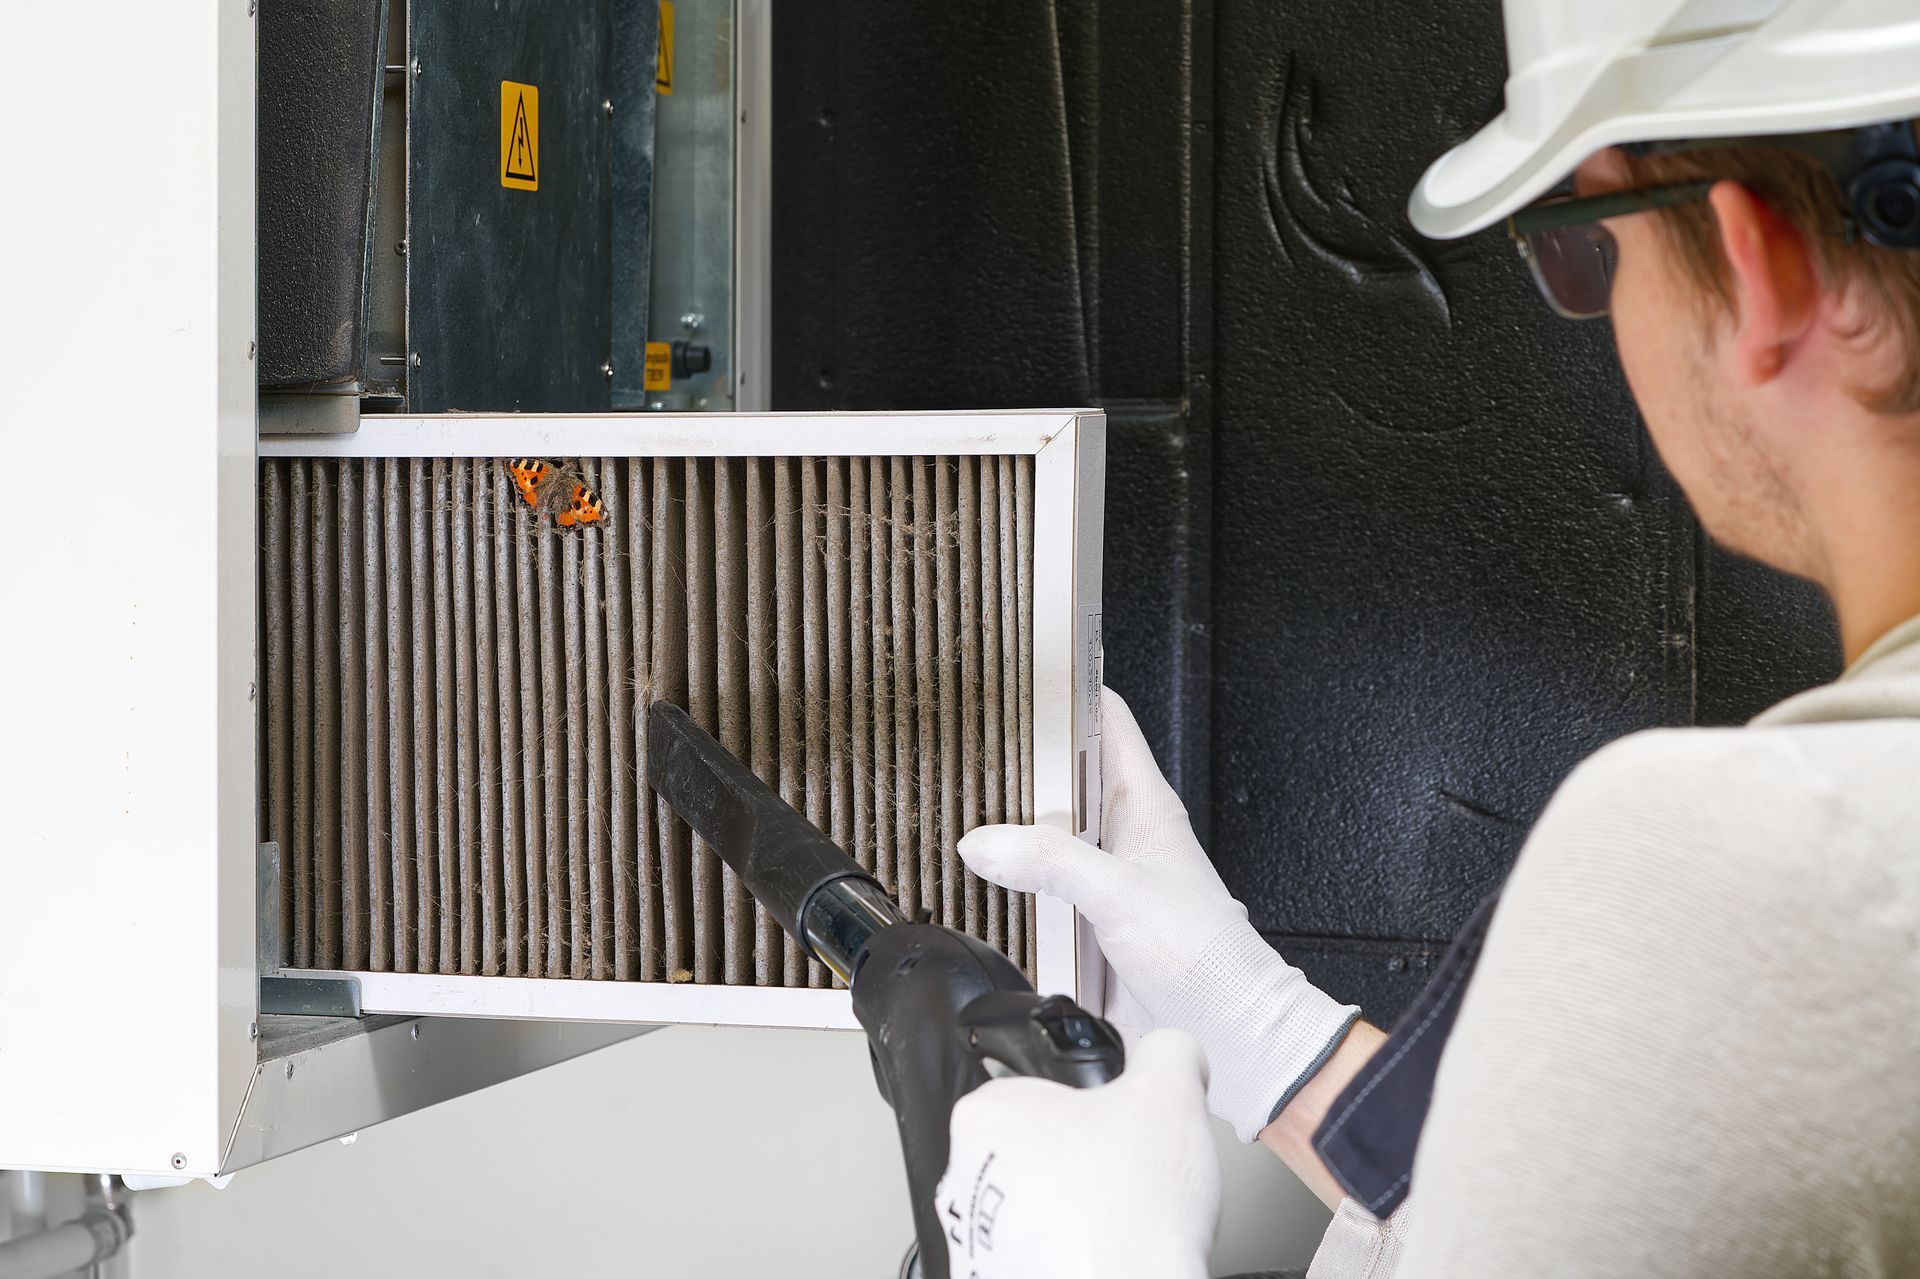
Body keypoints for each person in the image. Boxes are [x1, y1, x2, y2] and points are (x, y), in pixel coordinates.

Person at [937, 3, 1920, 1276]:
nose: (1608, 314)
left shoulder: (1771, 862)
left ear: (1758, 265)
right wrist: (1262, 1029)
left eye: (1595, 252)